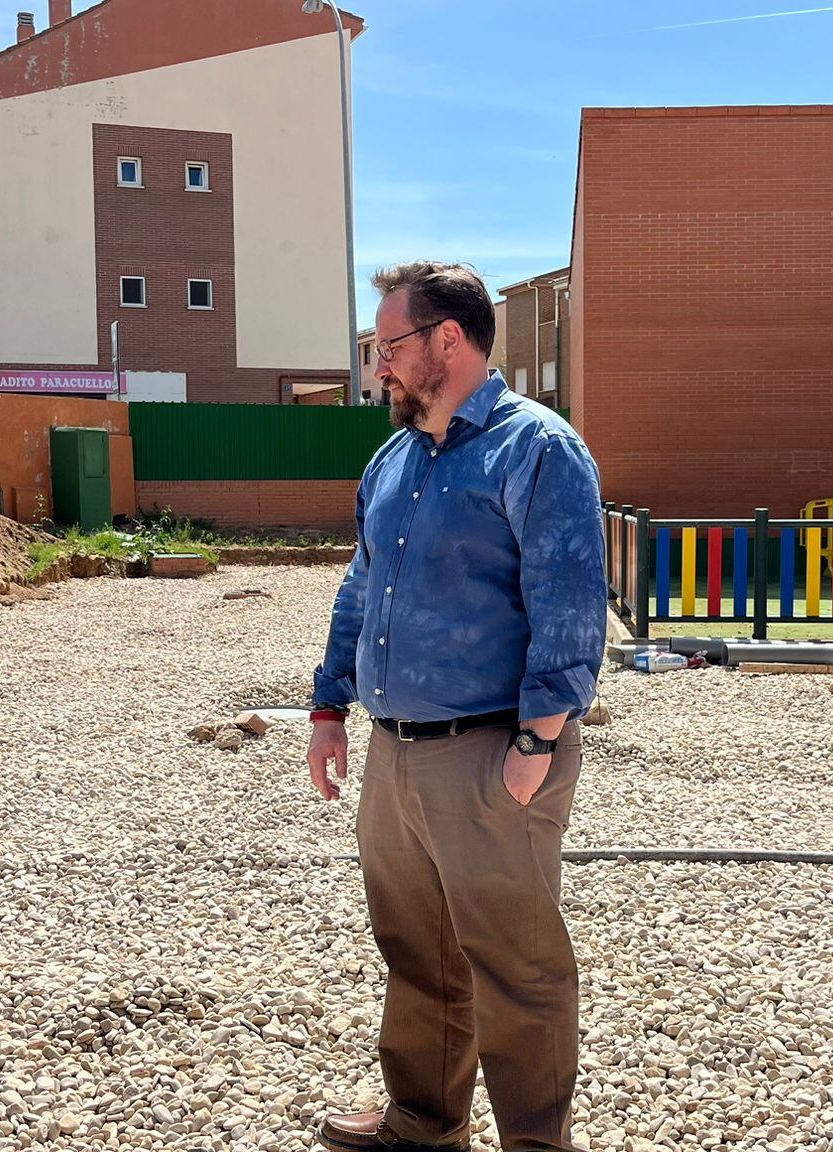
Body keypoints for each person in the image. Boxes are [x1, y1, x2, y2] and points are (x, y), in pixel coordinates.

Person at [307, 261, 606, 1152]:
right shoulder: (393, 459)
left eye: (389, 345)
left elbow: (570, 602)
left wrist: (537, 736)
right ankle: (424, 1124)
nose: (378, 367)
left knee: (516, 969)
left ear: (448, 340)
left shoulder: (536, 448)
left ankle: (535, 1143)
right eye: (375, 348)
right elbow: (360, 589)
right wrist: (329, 707)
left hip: (490, 752)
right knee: (417, 952)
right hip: (396, 750)